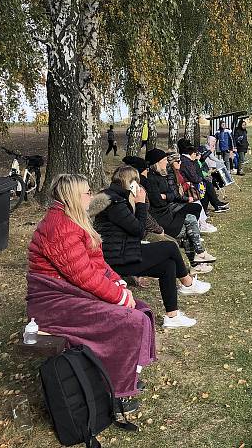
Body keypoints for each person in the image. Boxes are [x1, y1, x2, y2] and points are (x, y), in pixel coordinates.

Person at [26, 174, 156, 412]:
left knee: (141, 310)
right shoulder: (60, 227)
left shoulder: (73, 220)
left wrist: (118, 283)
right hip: (53, 304)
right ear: (73, 197)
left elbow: (96, 264)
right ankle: (113, 391)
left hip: (69, 294)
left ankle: (123, 375)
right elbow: (83, 276)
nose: (91, 195)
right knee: (129, 320)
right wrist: (118, 297)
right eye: (87, 191)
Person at [90, 165, 210, 329]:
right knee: (169, 247)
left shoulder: (115, 197)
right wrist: (140, 204)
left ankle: (172, 316)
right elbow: (139, 230)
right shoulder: (116, 203)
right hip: (116, 257)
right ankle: (188, 283)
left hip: (122, 251)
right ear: (131, 183)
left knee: (167, 266)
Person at [142, 149, 212, 274]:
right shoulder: (152, 179)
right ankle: (198, 258)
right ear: (156, 163)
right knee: (189, 225)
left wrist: (165, 196)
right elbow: (158, 201)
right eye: (164, 161)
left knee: (191, 217)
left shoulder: (161, 176)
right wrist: (166, 197)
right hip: (162, 220)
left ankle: (198, 258)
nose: (166, 163)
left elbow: (170, 195)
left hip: (167, 213)